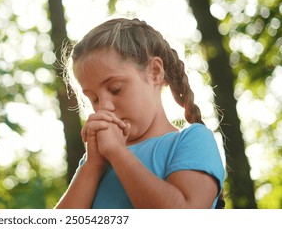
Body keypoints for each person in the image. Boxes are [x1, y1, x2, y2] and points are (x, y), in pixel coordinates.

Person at [55, 17, 226, 209]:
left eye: (115, 89)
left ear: (154, 72)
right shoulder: (94, 162)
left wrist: (117, 153)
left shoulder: (192, 140)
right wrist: (92, 166)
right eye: (93, 98)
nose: (104, 107)